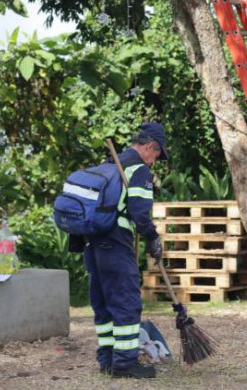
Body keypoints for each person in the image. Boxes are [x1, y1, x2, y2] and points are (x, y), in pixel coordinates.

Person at [83, 122, 168, 378]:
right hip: (116, 242)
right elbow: (140, 214)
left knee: (104, 303)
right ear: (150, 146)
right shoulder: (138, 169)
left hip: (92, 242)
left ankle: (107, 360)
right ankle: (124, 365)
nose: (155, 160)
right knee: (127, 302)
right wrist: (153, 238)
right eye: (158, 155)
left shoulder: (109, 164)